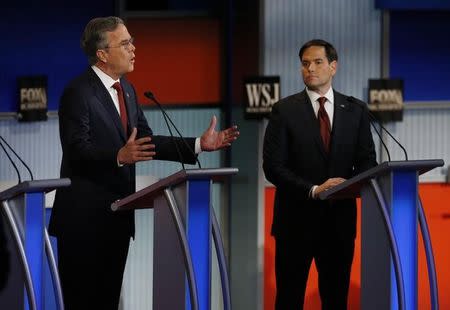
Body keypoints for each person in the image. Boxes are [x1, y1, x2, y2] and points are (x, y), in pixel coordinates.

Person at [48, 16, 239, 309]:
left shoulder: (128, 90)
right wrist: (117, 155)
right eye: (125, 43)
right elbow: (75, 149)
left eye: (132, 41)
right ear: (102, 54)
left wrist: (199, 144)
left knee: (108, 301)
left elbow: (147, 142)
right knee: (82, 302)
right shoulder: (78, 92)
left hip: (117, 219)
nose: (134, 48)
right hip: (83, 223)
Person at [263, 39, 377, 309]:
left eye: (317, 62)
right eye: (305, 64)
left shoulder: (356, 110)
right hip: (295, 223)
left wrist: (347, 187)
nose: (310, 69)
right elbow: (273, 167)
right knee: (289, 299)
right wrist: (314, 190)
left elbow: (367, 162)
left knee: (336, 299)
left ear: (333, 66)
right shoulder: (284, 110)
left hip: (339, 224)